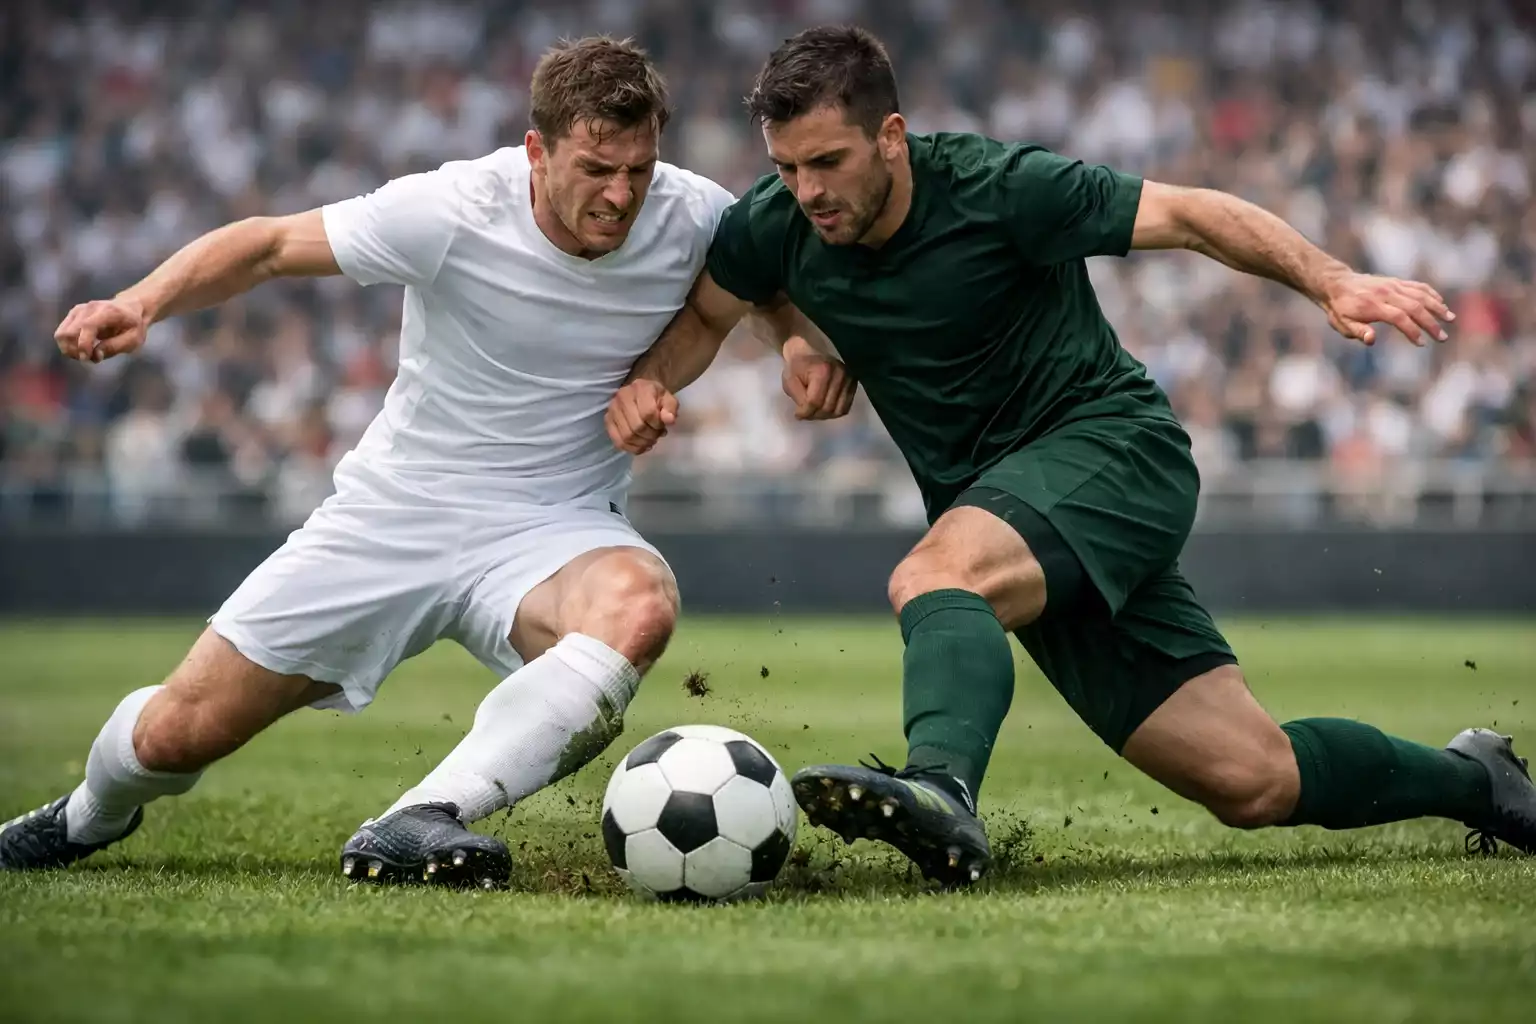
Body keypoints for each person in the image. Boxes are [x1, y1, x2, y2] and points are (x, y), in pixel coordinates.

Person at [605, 25, 1535, 885]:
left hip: (1113, 452)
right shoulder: (778, 223)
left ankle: (941, 792)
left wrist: (1332, 280)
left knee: (937, 580)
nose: (809, 190)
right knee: (1255, 782)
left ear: (891, 135)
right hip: (1015, 515)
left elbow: (1194, 215)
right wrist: (659, 379)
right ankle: (1479, 780)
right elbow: (711, 315)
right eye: (788, 166)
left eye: (829, 162)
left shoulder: (1003, 188)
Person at [0, 36, 814, 890]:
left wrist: (794, 343)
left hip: (553, 526)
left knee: (638, 606)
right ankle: (88, 815)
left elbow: (760, 292)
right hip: (397, 511)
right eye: (596, 168)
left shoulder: (692, 213)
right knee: (174, 734)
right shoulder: (452, 209)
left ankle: (422, 817)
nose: (620, 195)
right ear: (536, 152)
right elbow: (271, 246)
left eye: (639, 170)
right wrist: (139, 303)